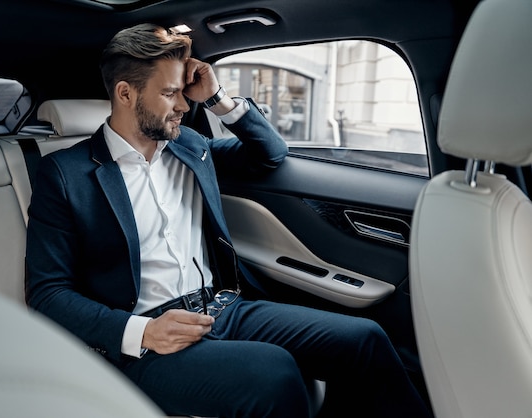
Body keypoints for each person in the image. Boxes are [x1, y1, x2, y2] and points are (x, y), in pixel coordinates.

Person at [25, 23, 432, 418]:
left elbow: (270, 154)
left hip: (222, 307)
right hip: (146, 339)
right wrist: (142, 332)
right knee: (273, 374)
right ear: (126, 93)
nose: (185, 105)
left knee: (363, 339)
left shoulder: (189, 144)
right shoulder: (65, 174)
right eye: (170, 94)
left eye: (183, 92)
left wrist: (218, 97)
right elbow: (48, 293)